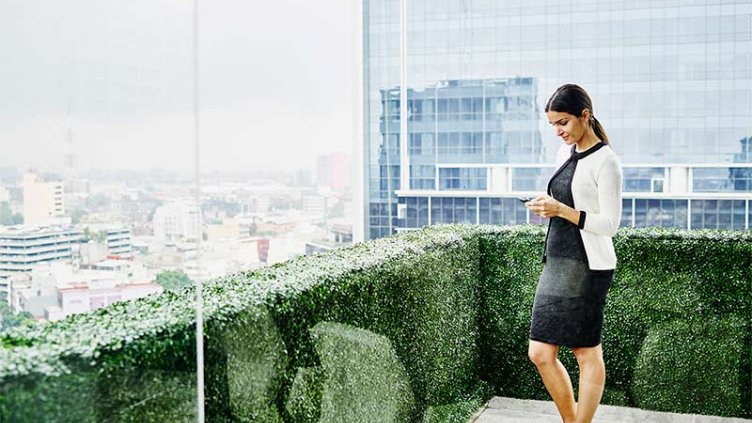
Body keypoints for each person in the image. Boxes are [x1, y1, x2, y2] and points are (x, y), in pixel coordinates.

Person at [524, 84, 622, 423]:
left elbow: (610, 223)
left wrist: (562, 211)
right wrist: (546, 205)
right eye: (553, 125)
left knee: (585, 350)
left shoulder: (606, 161)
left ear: (585, 115)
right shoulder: (564, 153)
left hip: (589, 265)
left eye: (563, 122)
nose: (558, 131)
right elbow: (568, 199)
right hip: (558, 262)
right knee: (539, 353)